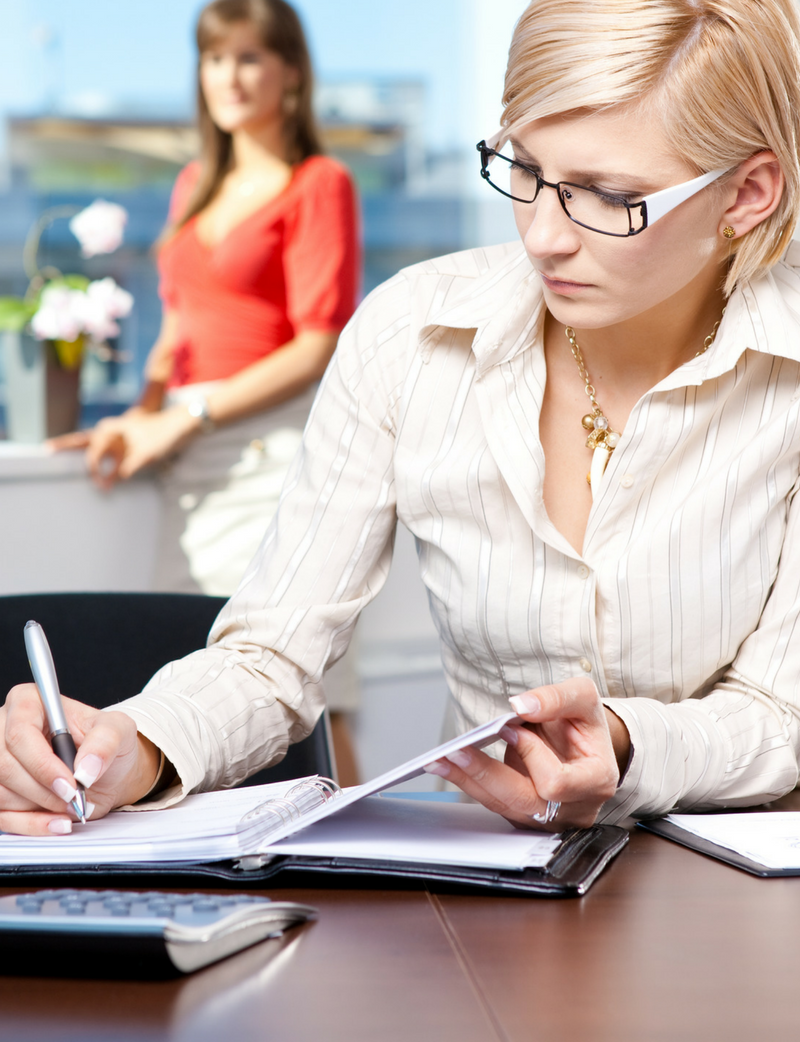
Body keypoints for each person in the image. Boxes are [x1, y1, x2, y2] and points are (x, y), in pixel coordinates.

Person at [3, 0, 800, 836]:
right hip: (487, 886)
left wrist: (629, 743)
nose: (544, 238)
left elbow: (781, 712)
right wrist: (137, 743)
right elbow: (271, 654)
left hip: (736, 903)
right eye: (523, 171)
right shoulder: (411, 335)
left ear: (746, 193)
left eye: (606, 195)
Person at [53, 0, 361, 783]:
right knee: (189, 686)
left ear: (290, 71)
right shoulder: (195, 183)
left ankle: (363, 862)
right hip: (187, 452)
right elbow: (179, 327)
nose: (229, 75)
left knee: (293, 681)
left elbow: (319, 343)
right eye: (215, 57)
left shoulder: (318, 183)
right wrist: (140, 417)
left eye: (250, 56)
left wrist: (184, 414)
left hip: (267, 450)